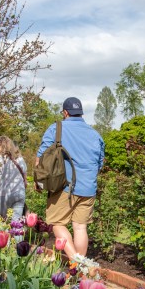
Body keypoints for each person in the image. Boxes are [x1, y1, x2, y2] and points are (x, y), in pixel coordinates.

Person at [36, 97, 104, 260]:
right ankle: (80, 270)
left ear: (65, 112)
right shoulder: (95, 134)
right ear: (80, 113)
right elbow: (100, 163)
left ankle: (78, 262)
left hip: (63, 187)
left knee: (58, 224)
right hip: (88, 188)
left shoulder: (55, 128)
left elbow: (41, 159)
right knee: (80, 228)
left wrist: (38, 182)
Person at [0, 135, 27, 222]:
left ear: (2, 146)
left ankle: (5, 235)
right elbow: (25, 179)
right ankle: (17, 235)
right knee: (17, 223)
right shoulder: (20, 159)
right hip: (19, 192)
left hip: (3, 193)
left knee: (3, 221)